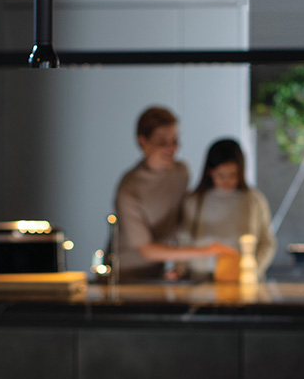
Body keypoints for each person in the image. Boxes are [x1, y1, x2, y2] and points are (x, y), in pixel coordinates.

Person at [113, 106, 237, 281]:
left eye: (175, 140)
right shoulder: (129, 188)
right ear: (143, 142)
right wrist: (205, 251)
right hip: (125, 274)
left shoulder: (181, 172)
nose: (171, 148)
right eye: (162, 141)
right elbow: (146, 249)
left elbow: (181, 222)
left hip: (158, 272)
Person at [179, 138, 277, 280]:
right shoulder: (194, 200)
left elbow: (267, 243)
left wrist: (254, 270)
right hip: (200, 280)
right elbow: (184, 239)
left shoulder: (253, 200)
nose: (227, 181)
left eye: (233, 175)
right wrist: (179, 269)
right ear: (210, 172)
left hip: (241, 280)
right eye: (221, 175)